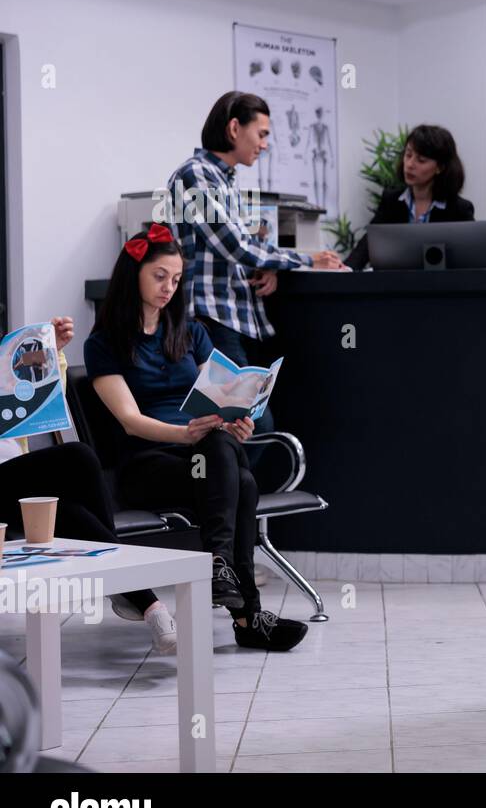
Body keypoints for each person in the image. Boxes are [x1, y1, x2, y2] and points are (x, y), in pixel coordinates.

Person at [83, 226, 308, 651]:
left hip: (201, 460)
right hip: (147, 463)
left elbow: (221, 397)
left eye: (176, 278)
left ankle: (223, 572)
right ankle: (246, 615)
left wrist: (234, 421)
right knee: (236, 476)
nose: (169, 287)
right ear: (133, 276)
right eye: (159, 276)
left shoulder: (190, 333)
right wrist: (186, 433)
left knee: (230, 456)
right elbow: (130, 421)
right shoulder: (104, 344)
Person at [164, 91, 345, 464]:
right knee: (250, 428)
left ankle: (241, 513)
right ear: (234, 128)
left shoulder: (225, 180)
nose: (264, 144)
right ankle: (234, 516)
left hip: (235, 319)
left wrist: (270, 267)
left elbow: (240, 251)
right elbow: (235, 245)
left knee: (249, 428)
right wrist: (307, 260)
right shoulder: (194, 177)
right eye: (261, 134)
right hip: (211, 319)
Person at [0, 317, 177, 655]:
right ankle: (125, 582)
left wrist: (52, 355)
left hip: (12, 478)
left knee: (70, 510)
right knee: (78, 456)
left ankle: (147, 604)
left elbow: (41, 408)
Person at [344, 125, 475, 270]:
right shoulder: (392, 200)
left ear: (440, 167)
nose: (410, 164)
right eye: (408, 155)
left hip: (441, 288)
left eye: (421, 160)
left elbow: (471, 259)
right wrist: (346, 270)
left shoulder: (458, 209)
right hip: (397, 287)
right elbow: (369, 243)